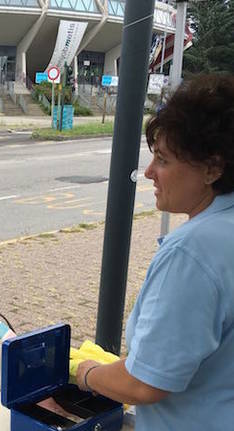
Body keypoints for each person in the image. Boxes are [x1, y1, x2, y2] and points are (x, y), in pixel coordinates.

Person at [75, 74, 234, 429]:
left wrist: (87, 374)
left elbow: (146, 382)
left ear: (212, 168)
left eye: (162, 160)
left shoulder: (192, 252)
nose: (148, 173)